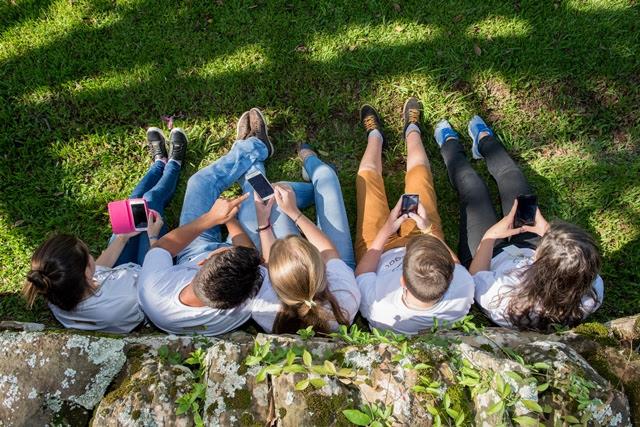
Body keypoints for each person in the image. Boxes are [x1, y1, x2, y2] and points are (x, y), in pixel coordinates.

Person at [433, 115, 604, 332]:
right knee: (513, 178)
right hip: (527, 247)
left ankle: (450, 146)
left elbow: (476, 276)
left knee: (473, 189)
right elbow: (570, 257)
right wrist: (543, 229)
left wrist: (492, 234)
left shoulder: (503, 299)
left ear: (541, 263)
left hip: (487, 257)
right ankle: (485, 140)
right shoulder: (592, 291)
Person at [23, 127, 186, 333]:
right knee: (151, 203)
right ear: (86, 271)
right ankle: (174, 163)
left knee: (133, 205)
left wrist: (122, 238)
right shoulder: (122, 300)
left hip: (122, 275)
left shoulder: (56, 288)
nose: (92, 254)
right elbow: (157, 284)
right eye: (88, 253)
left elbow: (100, 269)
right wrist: (153, 237)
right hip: (148, 281)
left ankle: (158, 163)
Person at [137, 108, 273, 336]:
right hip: (241, 251)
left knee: (199, 183)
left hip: (193, 251)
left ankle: (249, 149)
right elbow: (255, 258)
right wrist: (230, 222)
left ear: (200, 265)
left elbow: (161, 248)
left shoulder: (154, 292)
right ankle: (256, 148)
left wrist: (211, 218)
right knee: (261, 195)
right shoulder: (250, 298)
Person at [355, 98, 475, 335]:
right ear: (449, 278)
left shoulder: (379, 309)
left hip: (379, 251)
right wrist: (428, 229)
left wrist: (388, 228)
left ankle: (375, 136)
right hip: (426, 238)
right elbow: (458, 264)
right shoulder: (462, 293)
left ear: (402, 282)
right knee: (420, 176)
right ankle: (412, 130)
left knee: (367, 182)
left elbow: (362, 273)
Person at [249, 145, 359, 334]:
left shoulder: (263, 309)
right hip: (340, 267)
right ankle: (311, 163)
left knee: (274, 194)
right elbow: (330, 251)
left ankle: (308, 189)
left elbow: (268, 264)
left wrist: (263, 224)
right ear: (320, 264)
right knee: (326, 176)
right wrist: (294, 213)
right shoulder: (344, 297)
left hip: (318, 273)